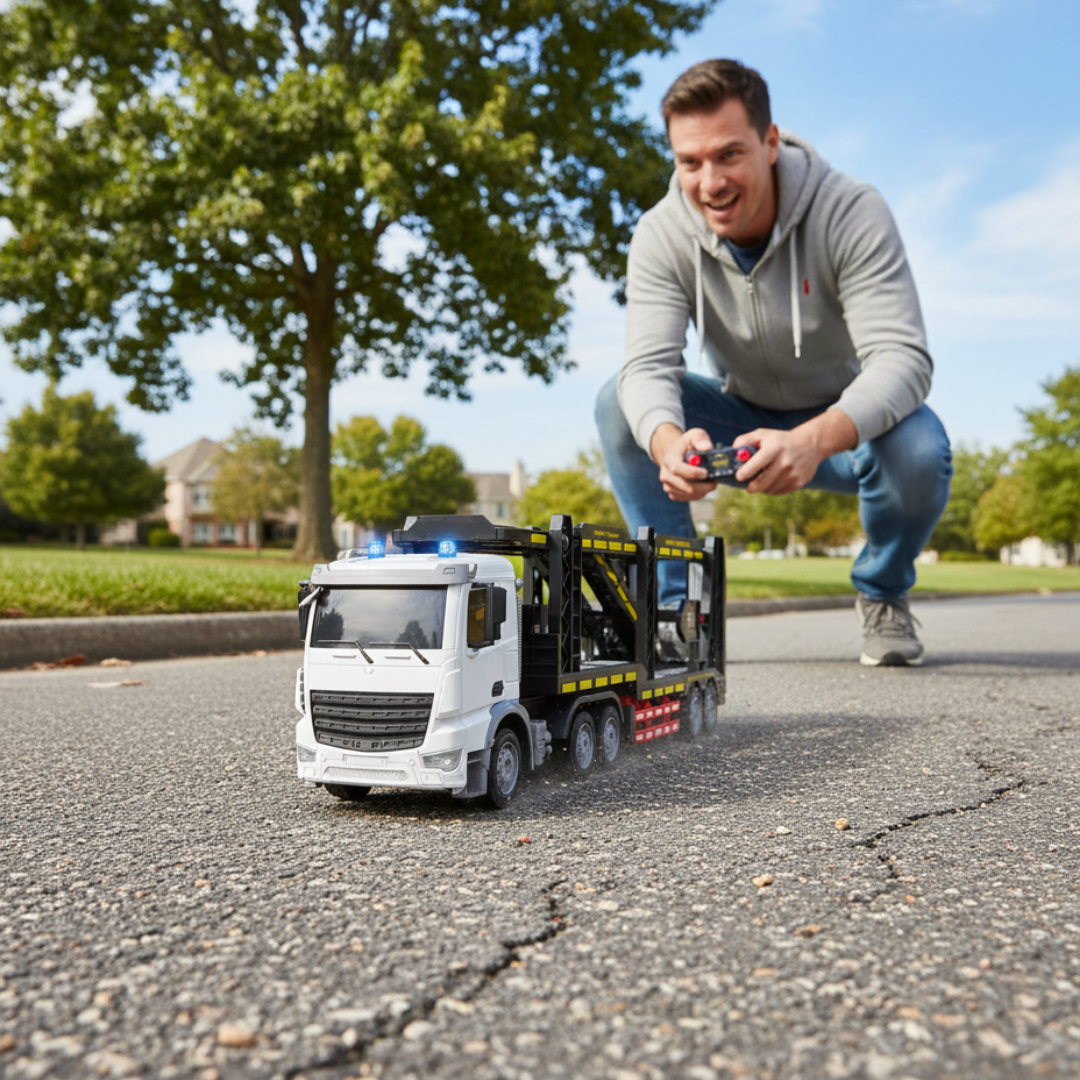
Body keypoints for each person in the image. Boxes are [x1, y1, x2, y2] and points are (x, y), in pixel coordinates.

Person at [595, 59, 952, 666]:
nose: (709, 182)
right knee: (620, 403)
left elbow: (902, 358)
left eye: (729, 155)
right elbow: (647, 367)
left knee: (921, 449)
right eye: (689, 162)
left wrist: (813, 441)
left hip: (845, 430)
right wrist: (668, 443)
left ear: (769, 142)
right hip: (740, 423)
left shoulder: (849, 210)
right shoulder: (661, 235)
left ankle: (884, 592)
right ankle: (678, 616)